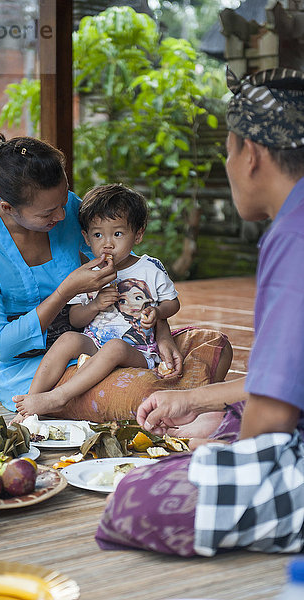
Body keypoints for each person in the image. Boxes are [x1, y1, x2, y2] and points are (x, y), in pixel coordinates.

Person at [96, 67, 304, 557]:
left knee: (133, 500)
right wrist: (196, 400)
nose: (228, 165)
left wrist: (230, 465)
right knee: (223, 415)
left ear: (250, 154)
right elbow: (285, 381)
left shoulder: (294, 237)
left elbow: (273, 416)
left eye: (227, 151)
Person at [0, 133, 185, 413]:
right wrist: (66, 292)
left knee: (210, 344)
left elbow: (132, 275)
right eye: (48, 213)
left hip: (96, 338)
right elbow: (2, 346)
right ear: (7, 208)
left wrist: (162, 331)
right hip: (32, 367)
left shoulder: (67, 207)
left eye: (64, 202)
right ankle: (55, 401)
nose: (63, 216)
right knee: (135, 395)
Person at [13, 184, 182, 417]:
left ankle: (58, 397)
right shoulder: (90, 272)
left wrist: (157, 311)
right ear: (86, 237)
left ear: (138, 234)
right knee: (68, 339)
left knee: (114, 348)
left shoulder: (149, 268)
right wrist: (94, 305)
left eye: (118, 234)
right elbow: (75, 318)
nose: (108, 243)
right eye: (98, 235)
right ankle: (29, 404)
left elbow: (173, 303)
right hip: (94, 343)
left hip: (136, 350)